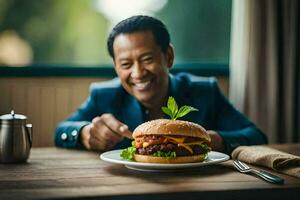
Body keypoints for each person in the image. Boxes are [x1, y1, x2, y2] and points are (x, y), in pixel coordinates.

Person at [54, 15, 267, 154]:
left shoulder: (205, 91)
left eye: (147, 59)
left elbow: (257, 136)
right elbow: (60, 130)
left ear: (169, 56)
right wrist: (85, 133)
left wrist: (216, 141)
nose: (137, 73)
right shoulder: (103, 95)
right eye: (126, 64)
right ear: (116, 67)